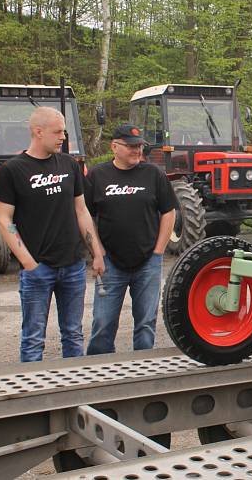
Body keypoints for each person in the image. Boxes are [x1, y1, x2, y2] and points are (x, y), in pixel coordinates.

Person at [0, 107, 105, 362]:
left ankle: (74, 389)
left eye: (64, 131)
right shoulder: (13, 170)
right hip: (38, 268)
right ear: (37, 131)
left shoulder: (69, 164)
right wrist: (29, 264)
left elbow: (81, 210)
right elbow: (4, 219)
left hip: (73, 266)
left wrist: (96, 252)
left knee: (74, 334)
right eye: (57, 132)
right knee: (33, 339)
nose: (63, 136)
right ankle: (33, 398)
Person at [85, 125, 177, 355]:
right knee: (103, 323)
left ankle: (143, 371)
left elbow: (169, 212)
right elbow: (86, 216)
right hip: (110, 264)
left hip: (148, 262)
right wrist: (97, 252)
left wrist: (158, 252)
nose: (137, 150)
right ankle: (98, 372)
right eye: (131, 146)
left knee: (146, 324)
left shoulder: (153, 174)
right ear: (114, 146)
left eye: (139, 146)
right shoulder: (98, 175)